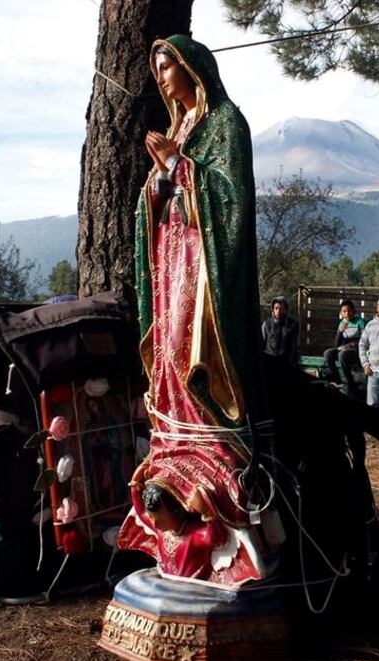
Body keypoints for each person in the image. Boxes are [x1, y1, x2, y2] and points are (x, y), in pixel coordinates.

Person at [117, 35, 279, 588]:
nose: (162, 79)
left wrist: (179, 168)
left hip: (206, 277)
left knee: (198, 355)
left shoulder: (225, 125)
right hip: (173, 268)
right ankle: (175, 477)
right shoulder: (183, 128)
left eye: (168, 68)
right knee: (170, 351)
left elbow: (227, 205)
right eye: (158, 71)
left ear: (192, 69)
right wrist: (162, 178)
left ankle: (219, 473)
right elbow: (160, 206)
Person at [322, 299, 365, 396]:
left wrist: (352, 345)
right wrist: (340, 332)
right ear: (341, 313)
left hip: (356, 350)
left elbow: (364, 339)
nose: (347, 313)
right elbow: (337, 344)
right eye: (344, 311)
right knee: (327, 353)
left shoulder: (360, 321)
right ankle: (338, 381)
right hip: (344, 348)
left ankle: (350, 382)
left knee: (342, 355)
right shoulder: (342, 323)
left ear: (354, 311)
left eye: (349, 311)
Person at [261, 295, 299, 364]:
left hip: (285, 363)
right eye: (276, 308)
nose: (278, 311)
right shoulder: (266, 325)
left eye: (281, 308)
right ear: (273, 309)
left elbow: (293, 348)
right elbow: (261, 345)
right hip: (269, 363)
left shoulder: (292, 325)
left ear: (285, 310)